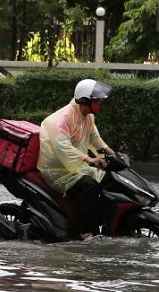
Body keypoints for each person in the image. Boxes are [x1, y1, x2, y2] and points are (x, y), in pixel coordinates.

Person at [36, 78, 115, 240]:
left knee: (109, 179)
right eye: (97, 100)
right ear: (85, 101)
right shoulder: (64, 118)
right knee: (89, 187)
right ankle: (85, 231)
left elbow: (95, 139)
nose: (99, 103)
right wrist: (89, 159)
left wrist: (109, 152)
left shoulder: (87, 116)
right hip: (58, 171)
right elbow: (62, 147)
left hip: (75, 168)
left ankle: (101, 222)